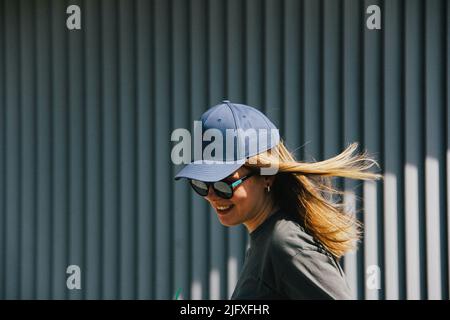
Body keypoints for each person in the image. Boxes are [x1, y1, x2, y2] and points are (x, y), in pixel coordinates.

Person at [174, 100, 381, 299]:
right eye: (201, 183)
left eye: (224, 183)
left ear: (267, 175)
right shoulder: (264, 241)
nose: (211, 195)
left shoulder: (285, 244)